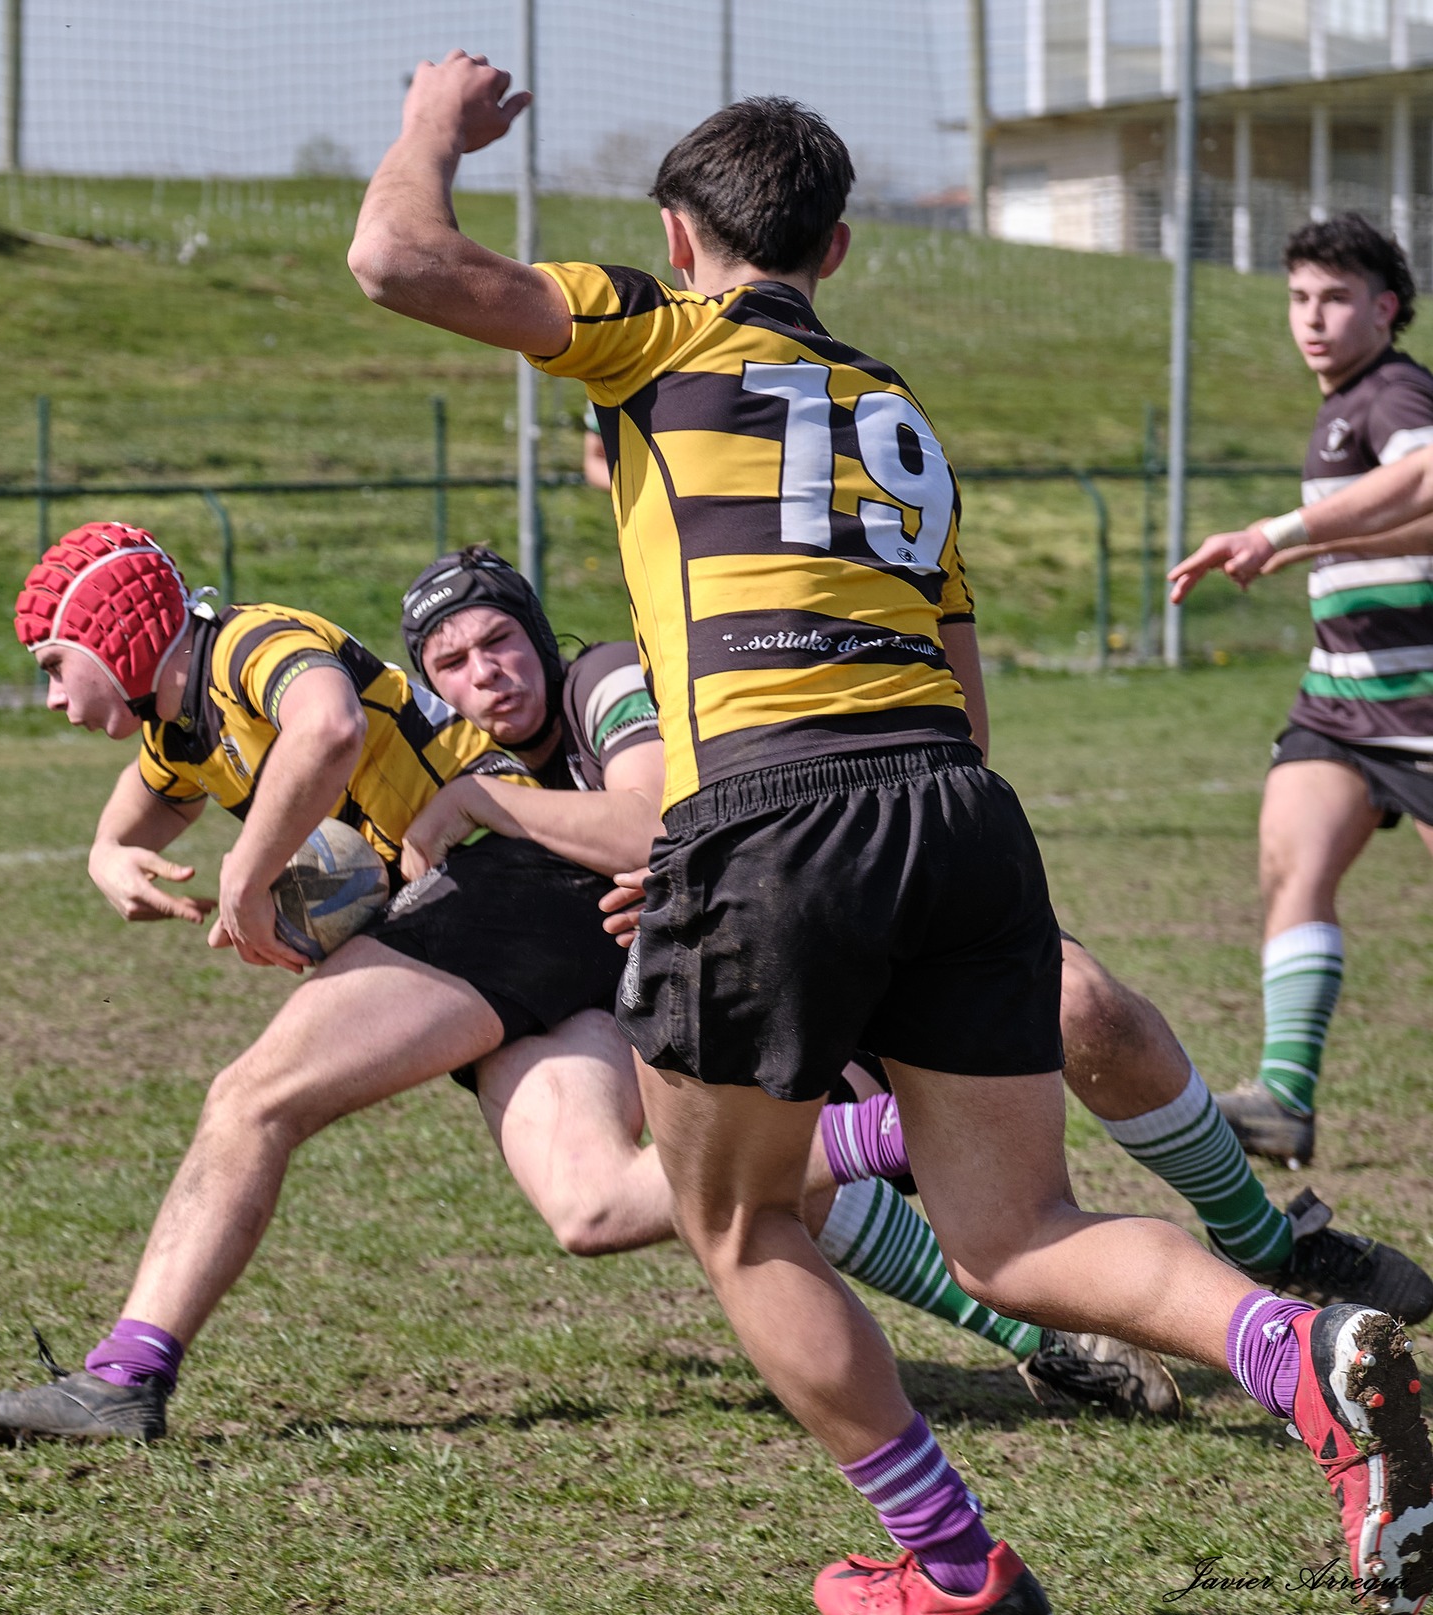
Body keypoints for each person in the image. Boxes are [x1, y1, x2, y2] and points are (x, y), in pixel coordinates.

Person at [350, 61, 1433, 1614]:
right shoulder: (901, 417)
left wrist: (435, 131)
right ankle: (1301, 1346)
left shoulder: (655, 325)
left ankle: (954, 1564)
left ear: (674, 230)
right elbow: (966, 707)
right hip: (955, 811)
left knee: (733, 1209)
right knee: (1019, 1228)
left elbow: (395, 258)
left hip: (771, 816)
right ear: (838, 252)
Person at [399, 546, 1186, 1416]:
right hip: (781, 963)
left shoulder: (605, 680)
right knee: (758, 1182)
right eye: (453, 664)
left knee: (1084, 1017)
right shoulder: (482, 769)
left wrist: (486, 807)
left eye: (500, 640)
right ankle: (1050, 1341)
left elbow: (647, 817)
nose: (488, 673)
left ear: (539, 633)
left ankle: (1262, 1245)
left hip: (852, 905)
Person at [0, 521, 646, 1444]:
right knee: (592, 1198)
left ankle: (122, 1377)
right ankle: (866, 1137)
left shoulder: (250, 642)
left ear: (117, 637)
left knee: (251, 1098)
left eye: (57, 664)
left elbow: (329, 724)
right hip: (529, 913)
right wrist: (108, 852)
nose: (53, 696)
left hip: (508, 870)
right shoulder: (183, 726)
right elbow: (149, 796)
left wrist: (248, 870)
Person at [1169, 214, 1433, 1171]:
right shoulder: (1342, 405)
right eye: (1298, 298)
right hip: (1342, 701)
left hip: (1423, 701)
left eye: (1335, 298)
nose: (1312, 318)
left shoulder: (1395, 391)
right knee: (1292, 866)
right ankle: (1283, 1096)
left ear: (1386, 308)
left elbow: (1428, 473)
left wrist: (1279, 534)